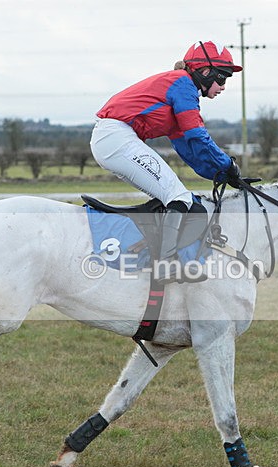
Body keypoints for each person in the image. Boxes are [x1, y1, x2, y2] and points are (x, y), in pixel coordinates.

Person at [90, 40, 243, 284]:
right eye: (222, 78)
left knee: (183, 201)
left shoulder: (181, 90)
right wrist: (227, 164)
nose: (224, 86)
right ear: (205, 72)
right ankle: (165, 265)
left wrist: (222, 174)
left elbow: (189, 149)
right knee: (178, 197)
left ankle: (160, 256)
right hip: (116, 137)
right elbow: (198, 135)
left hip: (113, 139)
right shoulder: (183, 85)